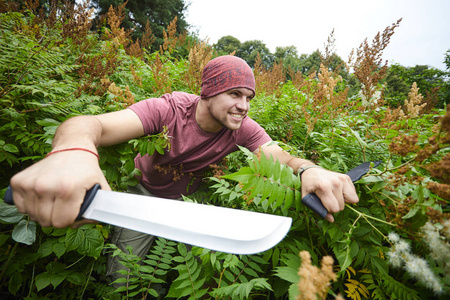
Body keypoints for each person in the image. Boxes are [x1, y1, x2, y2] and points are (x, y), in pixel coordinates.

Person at [9, 55, 358, 282]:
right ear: (208, 92)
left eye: (249, 97)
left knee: (184, 274)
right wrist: (73, 151)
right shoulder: (167, 111)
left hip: (194, 205)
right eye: (235, 94)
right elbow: (89, 124)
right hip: (145, 195)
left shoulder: (242, 126)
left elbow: (278, 156)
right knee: (122, 276)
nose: (244, 106)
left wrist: (308, 170)